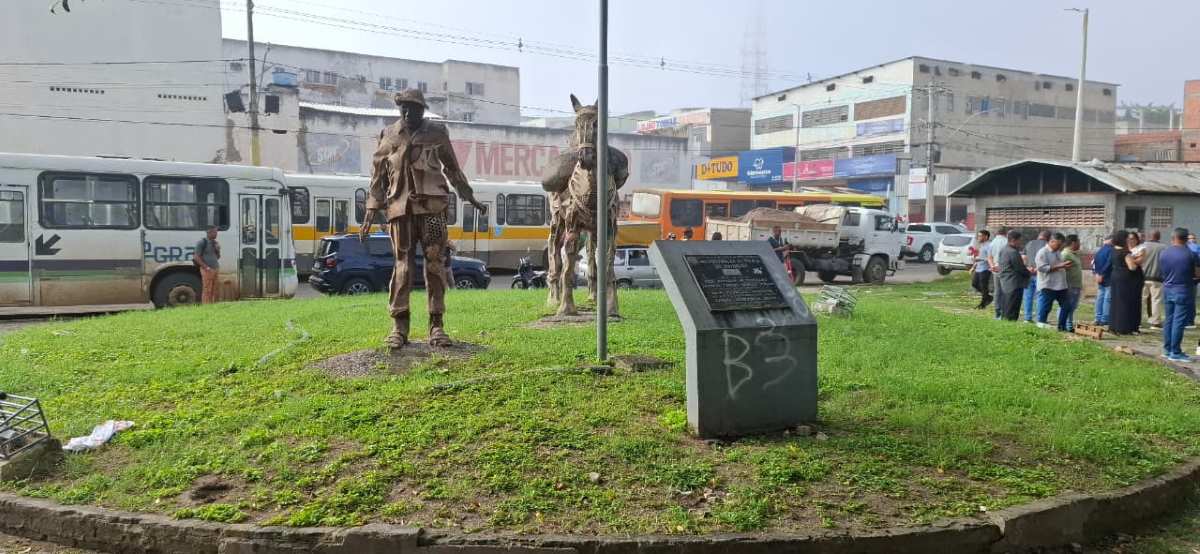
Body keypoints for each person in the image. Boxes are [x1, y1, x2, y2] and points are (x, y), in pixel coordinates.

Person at [361, 88, 487, 349]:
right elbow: (378, 177)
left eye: (413, 108)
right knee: (402, 267)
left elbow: (453, 170)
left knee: (435, 265)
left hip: (432, 209)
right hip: (399, 210)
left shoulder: (437, 133)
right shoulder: (388, 134)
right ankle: (399, 327)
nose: (407, 112)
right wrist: (371, 209)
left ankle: (437, 326)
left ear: (422, 110)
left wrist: (469, 196)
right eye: (403, 108)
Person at [1158, 228, 1196, 362]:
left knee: (1169, 320)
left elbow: (1162, 271)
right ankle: (1176, 351)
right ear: (1186, 239)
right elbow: (1197, 274)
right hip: (1183, 289)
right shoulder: (1190, 254)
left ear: (1172, 238)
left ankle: (1167, 349)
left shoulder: (1163, 253)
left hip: (1167, 288)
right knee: (1179, 322)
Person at [1035, 233, 1073, 331]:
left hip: (1061, 285)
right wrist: (1061, 266)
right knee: (1046, 307)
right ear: (1051, 241)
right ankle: (1041, 326)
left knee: (1067, 306)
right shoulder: (1042, 252)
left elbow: (1059, 265)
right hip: (1048, 285)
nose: (1060, 246)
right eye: (1058, 244)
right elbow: (1042, 268)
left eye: (1061, 245)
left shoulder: (1058, 252)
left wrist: (1065, 266)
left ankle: (1061, 327)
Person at [1109, 230, 1144, 336]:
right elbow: (1132, 267)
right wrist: (1138, 261)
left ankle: (1114, 326)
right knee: (1125, 303)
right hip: (1126, 279)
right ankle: (1124, 327)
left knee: (1116, 302)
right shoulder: (1125, 252)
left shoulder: (1113, 250)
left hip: (1115, 276)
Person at [997, 230, 1031, 321]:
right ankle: (1009, 327)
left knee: (1006, 308)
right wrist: (1030, 272)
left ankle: (1006, 325)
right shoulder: (1013, 252)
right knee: (1012, 310)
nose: (1020, 243)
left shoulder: (1004, 249)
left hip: (1005, 282)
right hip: (1014, 284)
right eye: (1019, 240)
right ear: (1013, 240)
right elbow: (1020, 268)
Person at [1139, 230, 1168, 329]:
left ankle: (1138, 320)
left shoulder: (1142, 246)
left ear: (1148, 236)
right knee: (1156, 300)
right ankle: (1155, 322)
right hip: (1157, 277)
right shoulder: (1164, 248)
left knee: (1141, 299)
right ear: (1159, 237)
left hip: (1142, 277)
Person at [1022, 230, 1050, 323]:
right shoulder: (1048, 246)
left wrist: (1027, 267)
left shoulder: (1029, 243)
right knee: (1040, 296)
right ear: (1048, 238)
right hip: (1041, 274)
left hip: (1028, 273)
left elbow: (1024, 258)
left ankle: (1027, 317)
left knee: (1027, 296)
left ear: (1039, 236)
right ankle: (1039, 318)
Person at [1059, 234, 1084, 332]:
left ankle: (1069, 325)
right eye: (1078, 241)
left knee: (1073, 306)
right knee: (1067, 306)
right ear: (1073, 243)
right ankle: (1063, 324)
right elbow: (1060, 268)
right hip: (1070, 285)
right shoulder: (1065, 254)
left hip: (1076, 285)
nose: (1080, 244)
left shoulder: (1074, 254)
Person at [193, 225, 221, 304]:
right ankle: (206, 305)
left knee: (215, 289)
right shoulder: (202, 242)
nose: (216, 234)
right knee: (207, 289)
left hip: (215, 268)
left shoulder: (215, 243)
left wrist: (218, 250)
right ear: (209, 232)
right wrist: (207, 268)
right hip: (207, 270)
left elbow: (217, 257)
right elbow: (196, 257)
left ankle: (215, 305)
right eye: (215, 232)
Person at [988, 226, 1011, 320]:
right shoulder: (1007, 242)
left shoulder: (992, 243)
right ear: (1006, 233)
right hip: (1006, 270)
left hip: (995, 270)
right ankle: (1005, 312)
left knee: (997, 291)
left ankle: (997, 312)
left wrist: (992, 266)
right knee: (1006, 291)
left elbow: (989, 257)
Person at [1093, 236, 1114, 327]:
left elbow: (1094, 262)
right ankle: (1104, 319)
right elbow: (1109, 263)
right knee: (1107, 298)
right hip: (1108, 276)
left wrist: (1097, 273)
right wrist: (1102, 274)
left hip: (1099, 276)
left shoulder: (1099, 250)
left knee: (1100, 297)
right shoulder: (1111, 250)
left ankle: (1098, 317)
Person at [971, 229, 993, 309]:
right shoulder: (981, 245)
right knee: (974, 284)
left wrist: (980, 259)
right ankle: (988, 297)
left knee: (984, 287)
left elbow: (990, 258)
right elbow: (978, 256)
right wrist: (973, 266)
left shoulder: (989, 246)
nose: (978, 237)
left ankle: (982, 304)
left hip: (985, 269)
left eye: (980, 236)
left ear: (986, 237)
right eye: (978, 236)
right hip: (978, 268)